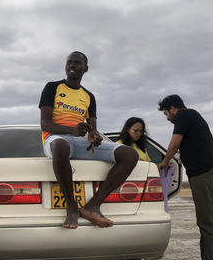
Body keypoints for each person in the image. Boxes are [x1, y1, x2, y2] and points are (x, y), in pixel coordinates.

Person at [39, 51, 139, 229]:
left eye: (77, 63)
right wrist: (71, 130)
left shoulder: (88, 96)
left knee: (130, 154)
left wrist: (94, 136)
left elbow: (92, 128)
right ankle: (71, 208)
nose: (72, 65)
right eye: (69, 62)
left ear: (85, 69)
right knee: (61, 145)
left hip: (80, 142)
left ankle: (92, 206)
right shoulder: (52, 87)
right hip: (56, 139)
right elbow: (45, 124)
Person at [157, 94, 213, 260]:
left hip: (205, 174)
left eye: (165, 114)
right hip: (201, 175)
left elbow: (174, 144)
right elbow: (180, 148)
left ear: (172, 108)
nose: (167, 118)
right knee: (204, 222)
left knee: (208, 223)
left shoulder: (184, 115)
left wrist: (163, 162)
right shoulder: (191, 118)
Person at [116, 117, 163, 260]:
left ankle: (149, 256)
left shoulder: (142, 148)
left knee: (146, 223)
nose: (138, 134)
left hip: (144, 191)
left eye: (141, 132)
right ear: (127, 129)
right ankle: (124, 256)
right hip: (125, 191)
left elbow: (148, 165)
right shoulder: (117, 146)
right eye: (136, 131)